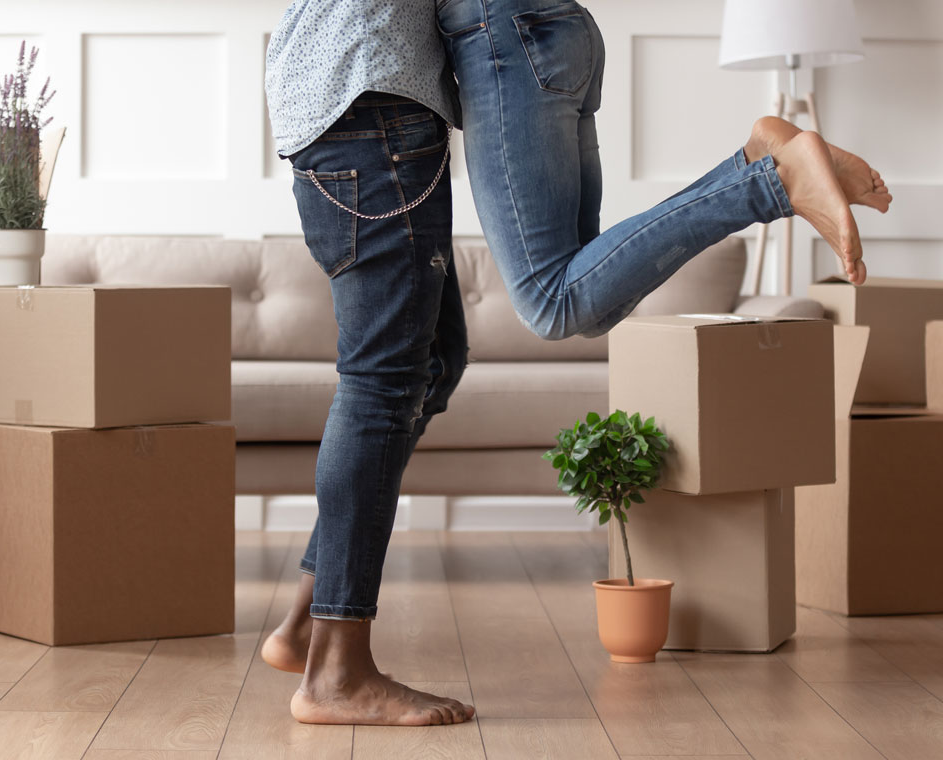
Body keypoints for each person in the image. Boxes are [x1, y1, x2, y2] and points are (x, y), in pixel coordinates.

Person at [262, 0, 891, 728]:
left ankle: (328, 648)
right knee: (423, 364)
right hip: (382, 85)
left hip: (374, 86)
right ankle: (322, 640)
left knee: (418, 364)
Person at [262, 0, 477, 726]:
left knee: (435, 360)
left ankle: (305, 627)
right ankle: (336, 676)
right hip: (370, 103)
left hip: (355, 100)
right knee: (382, 384)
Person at [435, 0, 891, 340]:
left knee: (550, 303)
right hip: (550, 28)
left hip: (497, 37)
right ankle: (757, 161)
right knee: (594, 309)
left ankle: (776, 181)